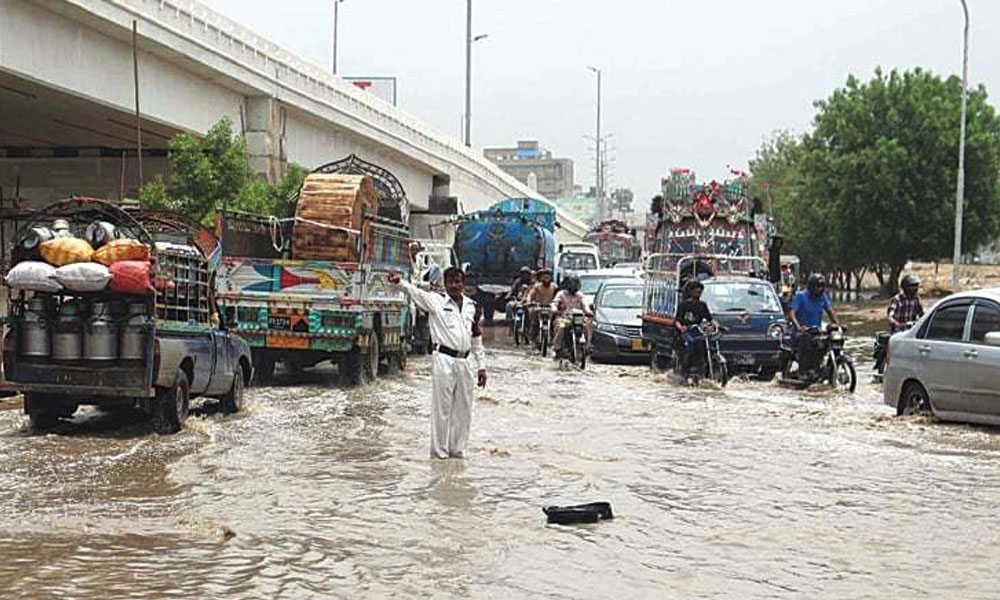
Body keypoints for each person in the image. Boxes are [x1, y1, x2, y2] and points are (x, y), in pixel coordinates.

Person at [388, 267, 487, 459]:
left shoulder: (472, 306)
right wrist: (399, 283)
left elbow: (476, 338)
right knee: (442, 409)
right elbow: (415, 293)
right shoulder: (436, 301)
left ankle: (456, 451)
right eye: (450, 281)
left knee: (463, 410)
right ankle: (440, 455)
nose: (454, 285)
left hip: (465, 362)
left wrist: (481, 367)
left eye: (457, 281)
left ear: (463, 283)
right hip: (443, 359)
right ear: (444, 283)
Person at [788, 273, 841, 376]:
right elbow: (792, 313)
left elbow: (830, 311)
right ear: (811, 286)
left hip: (817, 332)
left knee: (828, 342)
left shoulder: (823, 297)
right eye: (817, 286)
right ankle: (803, 372)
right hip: (801, 333)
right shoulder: (800, 296)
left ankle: (820, 368)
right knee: (806, 341)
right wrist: (799, 327)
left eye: (822, 286)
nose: (820, 289)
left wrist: (838, 325)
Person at [674, 280, 715, 378]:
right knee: (691, 343)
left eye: (700, 292)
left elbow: (710, 318)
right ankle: (686, 368)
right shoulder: (683, 305)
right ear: (691, 292)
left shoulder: (702, 305)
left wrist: (715, 325)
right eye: (697, 292)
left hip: (697, 330)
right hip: (686, 331)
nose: (699, 294)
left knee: (706, 343)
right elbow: (677, 320)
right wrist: (681, 327)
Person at [551, 275, 592, 357]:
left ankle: (587, 346)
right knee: (561, 327)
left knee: (587, 325)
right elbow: (555, 303)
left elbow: (585, 304)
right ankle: (557, 348)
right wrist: (554, 309)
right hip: (564, 317)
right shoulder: (561, 294)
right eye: (571, 283)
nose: (573, 286)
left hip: (578, 318)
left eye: (575, 284)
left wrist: (588, 311)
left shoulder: (580, 295)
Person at [525, 268, 558, 340]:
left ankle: (554, 336)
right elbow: (530, 295)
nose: (546, 277)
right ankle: (532, 334)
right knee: (532, 315)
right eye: (545, 276)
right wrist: (529, 301)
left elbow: (559, 297)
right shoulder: (537, 286)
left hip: (550, 308)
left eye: (548, 275)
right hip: (538, 307)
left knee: (557, 319)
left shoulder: (554, 287)